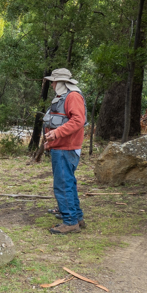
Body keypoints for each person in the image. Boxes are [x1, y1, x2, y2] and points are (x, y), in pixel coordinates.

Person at [42, 69, 87, 234]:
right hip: (62, 147)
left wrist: (56, 134)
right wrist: (52, 142)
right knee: (68, 184)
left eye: (54, 81)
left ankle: (70, 222)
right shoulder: (65, 96)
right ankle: (77, 218)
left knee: (63, 185)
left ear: (61, 82)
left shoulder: (72, 96)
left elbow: (78, 120)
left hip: (66, 149)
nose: (52, 85)